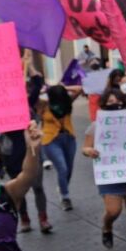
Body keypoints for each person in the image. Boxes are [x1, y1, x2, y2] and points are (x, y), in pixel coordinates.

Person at [81, 87, 126, 251]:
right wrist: (89, 151)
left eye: (118, 101)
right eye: (110, 102)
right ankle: (107, 226)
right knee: (113, 210)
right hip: (110, 174)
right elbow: (85, 148)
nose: (115, 104)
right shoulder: (96, 126)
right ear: (103, 104)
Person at [3, 75, 52, 234]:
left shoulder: (27, 105)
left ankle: (43, 218)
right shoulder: (0, 114)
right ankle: (24, 218)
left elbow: (38, 84)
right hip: (12, 156)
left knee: (38, 187)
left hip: (31, 152)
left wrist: (29, 66)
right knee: (19, 189)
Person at [38, 82, 82, 210]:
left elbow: (79, 89)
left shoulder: (67, 102)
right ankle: (65, 197)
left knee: (68, 169)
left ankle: (63, 186)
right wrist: (44, 91)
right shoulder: (43, 105)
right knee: (62, 168)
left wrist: (64, 87)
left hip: (68, 138)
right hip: (51, 140)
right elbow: (31, 97)